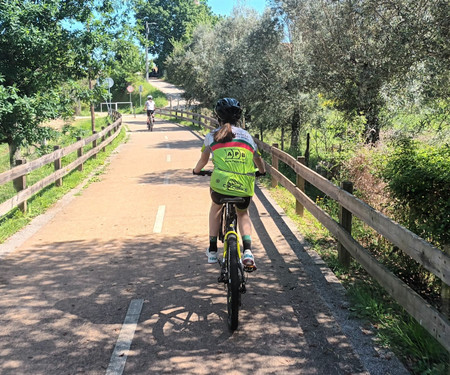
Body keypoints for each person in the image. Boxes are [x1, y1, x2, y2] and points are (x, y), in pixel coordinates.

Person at [193, 98, 266, 270]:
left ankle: (212, 250)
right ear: (238, 117)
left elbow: (203, 161)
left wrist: (196, 171)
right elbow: (258, 159)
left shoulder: (211, 136)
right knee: (243, 214)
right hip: (244, 184)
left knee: (215, 208)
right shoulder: (247, 136)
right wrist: (261, 172)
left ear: (217, 116)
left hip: (220, 185)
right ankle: (247, 251)